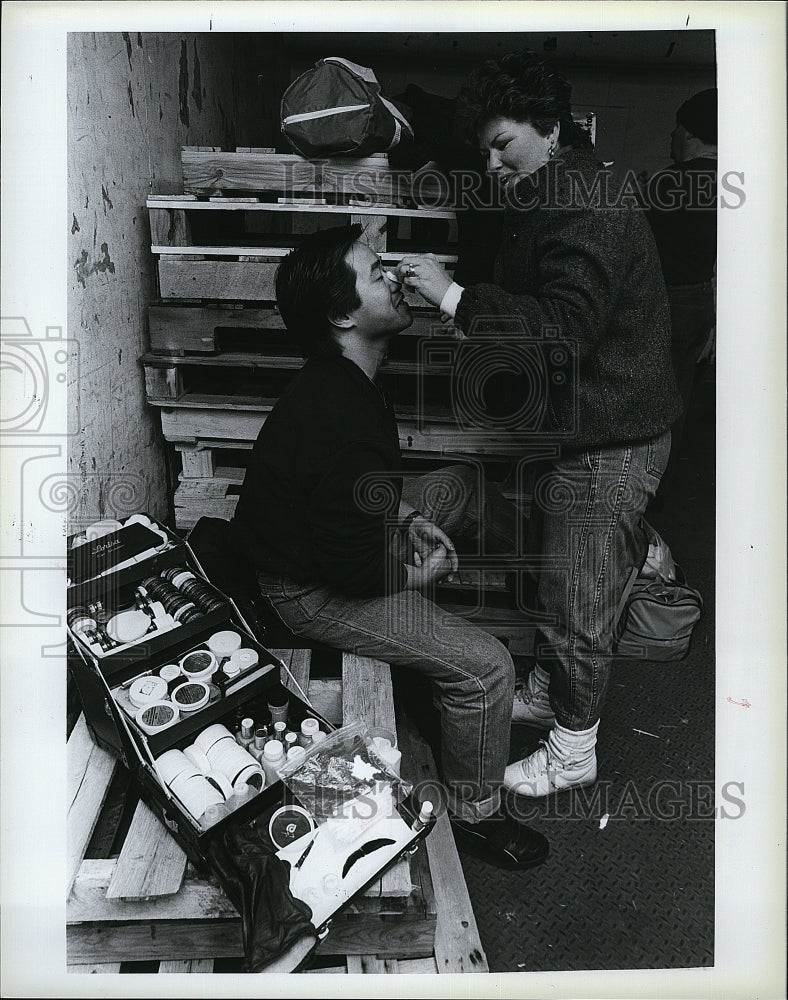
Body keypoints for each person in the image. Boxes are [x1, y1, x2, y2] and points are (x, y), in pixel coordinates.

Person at [393, 50, 684, 798]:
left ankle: (572, 751)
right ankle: (558, 695)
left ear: (549, 128)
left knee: (579, 604)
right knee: (566, 583)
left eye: (504, 144)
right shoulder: (552, 188)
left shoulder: (583, 200)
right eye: (483, 150)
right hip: (595, 426)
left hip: (615, 436)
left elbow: (561, 331)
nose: (492, 163)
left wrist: (457, 300)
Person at [231, 224, 549, 871]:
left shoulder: (350, 378)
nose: (397, 277)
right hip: (307, 593)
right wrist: (421, 577)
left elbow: (351, 491)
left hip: (338, 546)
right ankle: (477, 815)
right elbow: (351, 569)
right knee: (486, 669)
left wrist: (405, 514)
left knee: (458, 487)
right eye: (377, 272)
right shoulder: (337, 412)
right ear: (343, 314)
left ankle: (546, 590)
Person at [645, 88, 717, 504]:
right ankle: (666, 485)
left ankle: (645, 487)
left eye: (676, 127)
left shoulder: (668, 181)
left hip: (664, 300)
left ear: (689, 133)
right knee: (680, 397)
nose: (671, 135)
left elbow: (636, 249)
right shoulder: (732, 181)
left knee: (652, 396)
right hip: (699, 301)